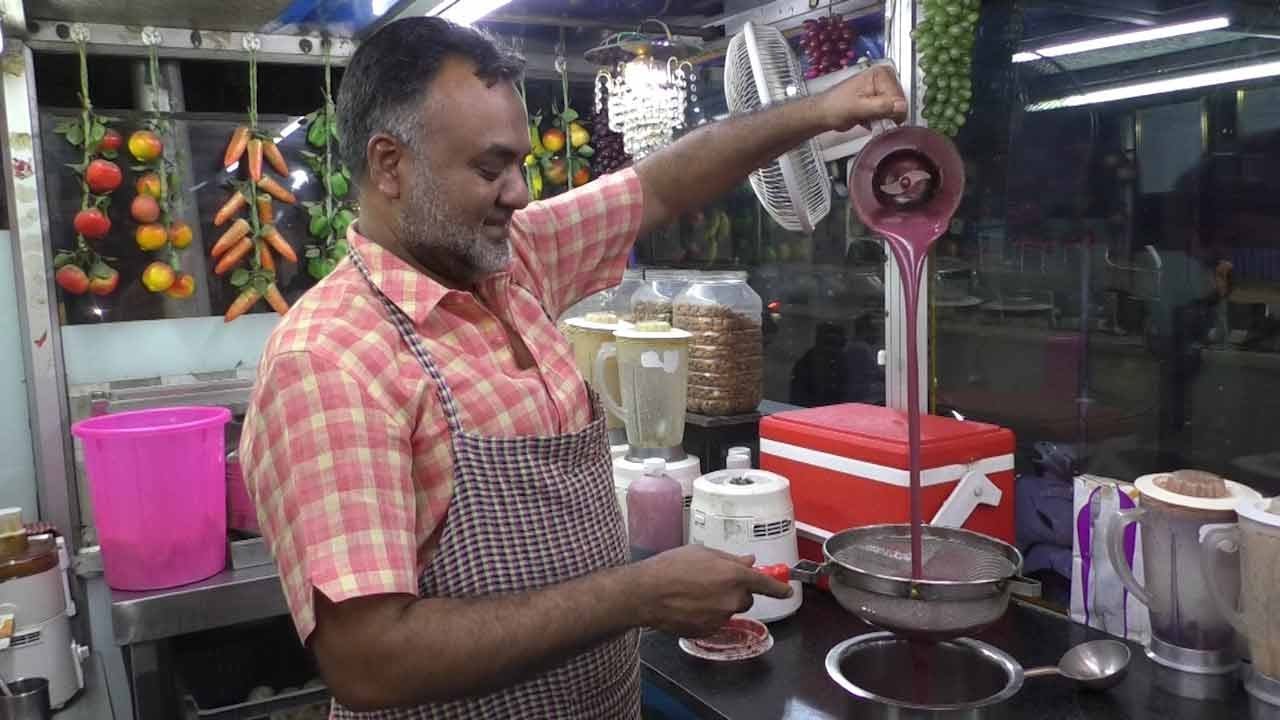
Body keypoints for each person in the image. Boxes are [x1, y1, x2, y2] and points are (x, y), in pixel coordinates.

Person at [240, 16, 906, 718]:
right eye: (490, 168)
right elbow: (370, 660)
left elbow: (661, 185)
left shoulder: (508, 264)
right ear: (389, 166)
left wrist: (823, 110)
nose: (520, 194)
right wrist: (635, 594)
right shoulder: (332, 362)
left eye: (520, 164)